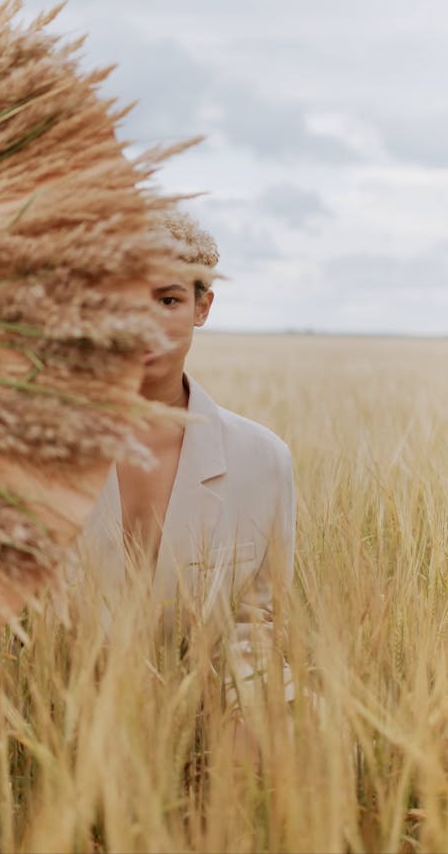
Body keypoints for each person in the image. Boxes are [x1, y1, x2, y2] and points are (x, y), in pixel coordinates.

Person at [75, 211, 296, 712]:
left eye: (167, 299)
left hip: (209, 718)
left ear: (202, 306)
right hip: (50, 719)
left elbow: (257, 628)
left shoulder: (262, 460)